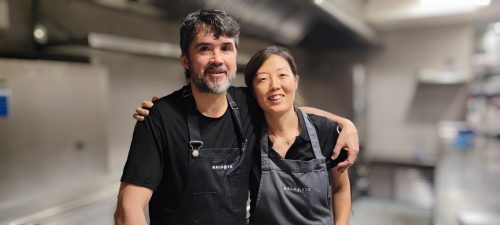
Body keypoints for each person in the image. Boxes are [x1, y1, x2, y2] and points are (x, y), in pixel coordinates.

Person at [115, 9, 358, 225]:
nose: (217, 59)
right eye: (204, 48)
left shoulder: (247, 104)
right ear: (185, 61)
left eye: (225, 48)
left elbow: (287, 109)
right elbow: (129, 209)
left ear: (234, 56)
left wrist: (344, 123)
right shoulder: (159, 118)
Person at [245, 46, 350, 224]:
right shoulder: (248, 134)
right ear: (253, 92)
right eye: (263, 79)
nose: (274, 86)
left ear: (296, 81)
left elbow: (341, 188)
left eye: (282, 75)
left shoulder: (324, 131)